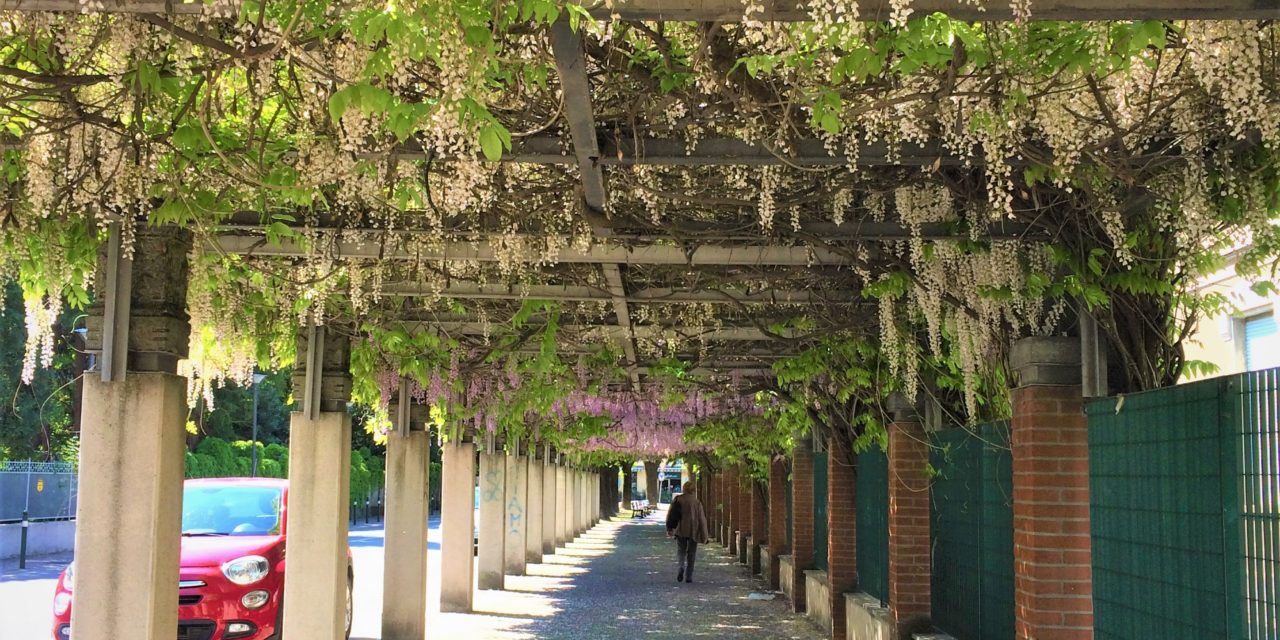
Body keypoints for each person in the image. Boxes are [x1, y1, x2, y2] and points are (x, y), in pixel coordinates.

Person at [665, 479, 709, 583]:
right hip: (694, 530)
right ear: (693, 490)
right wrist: (705, 536)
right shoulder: (697, 502)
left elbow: (670, 514)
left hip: (680, 529)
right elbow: (702, 520)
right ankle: (689, 576)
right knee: (692, 553)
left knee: (681, 551)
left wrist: (669, 528)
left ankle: (681, 566)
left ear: (684, 489)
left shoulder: (678, 499)